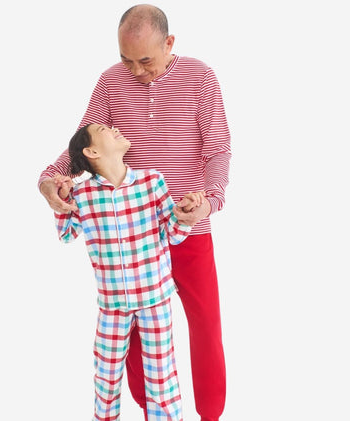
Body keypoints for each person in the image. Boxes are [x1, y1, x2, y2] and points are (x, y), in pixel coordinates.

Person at [39, 5, 231, 421]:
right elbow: (81, 146)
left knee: (206, 325)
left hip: (189, 227)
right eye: (126, 59)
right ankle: (149, 410)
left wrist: (209, 202)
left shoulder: (200, 77)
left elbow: (218, 149)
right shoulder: (110, 81)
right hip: (132, 232)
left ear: (169, 43)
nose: (136, 70)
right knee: (136, 333)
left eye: (145, 60)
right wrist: (49, 179)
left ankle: (211, 415)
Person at [54, 123, 203, 420]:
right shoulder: (82, 194)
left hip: (155, 297)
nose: (114, 128)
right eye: (103, 129)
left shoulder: (152, 182)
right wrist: (62, 199)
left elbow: (173, 234)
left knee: (161, 376)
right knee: (106, 375)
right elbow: (67, 234)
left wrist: (185, 214)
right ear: (91, 152)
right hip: (113, 303)